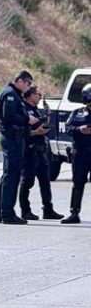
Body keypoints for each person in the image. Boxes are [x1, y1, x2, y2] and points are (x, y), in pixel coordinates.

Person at [0, 71, 37, 225]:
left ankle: (3, 213)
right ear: (20, 81)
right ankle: (7, 213)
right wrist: (27, 119)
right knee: (12, 176)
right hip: (12, 138)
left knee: (9, 175)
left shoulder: (14, 94)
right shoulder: (11, 95)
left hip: (14, 138)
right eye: (27, 83)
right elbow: (9, 116)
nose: (28, 87)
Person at [20, 87, 63, 220]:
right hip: (29, 150)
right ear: (32, 95)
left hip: (41, 150)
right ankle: (25, 210)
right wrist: (35, 132)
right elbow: (21, 132)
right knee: (27, 182)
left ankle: (48, 210)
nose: (40, 96)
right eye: (38, 94)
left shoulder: (37, 110)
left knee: (45, 181)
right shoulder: (24, 110)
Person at [63, 84, 91, 224]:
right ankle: (74, 213)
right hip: (80, 153)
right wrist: (80, 129)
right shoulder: (77, 113)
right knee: (78, 183)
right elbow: (67, 128)